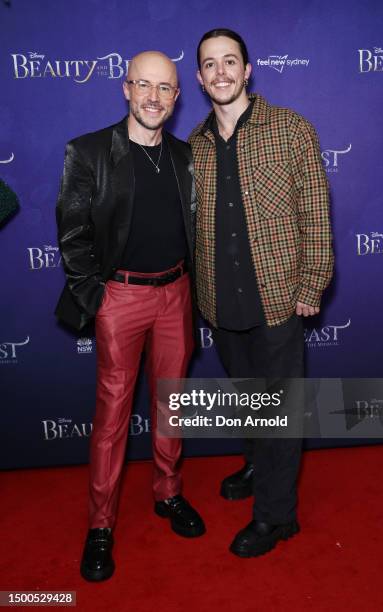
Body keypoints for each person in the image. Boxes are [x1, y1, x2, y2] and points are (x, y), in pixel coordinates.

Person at [56, 51, 205, 582]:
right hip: (120, 298)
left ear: (177, 96)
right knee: (112, 417)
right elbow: (72, 235)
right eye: (143, 85)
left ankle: (168, 494)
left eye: (165, 88)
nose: (153, 97)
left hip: (177, 294)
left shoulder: (187, 156)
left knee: (173, 404)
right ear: (125, 88)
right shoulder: (90, 151)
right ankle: (101, 525)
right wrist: (97, 297)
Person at [189, 29, 333, 558]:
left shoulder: (291, 129)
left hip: (278, 297)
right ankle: (257, 463)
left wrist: (312, 282)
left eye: (231, 62)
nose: (221, 72)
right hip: (221, 302)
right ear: (199, 77)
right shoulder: (197, 145)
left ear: (248, 70)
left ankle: (277, 517)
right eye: (210, 64)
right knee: (248, 399)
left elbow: (316, 214)